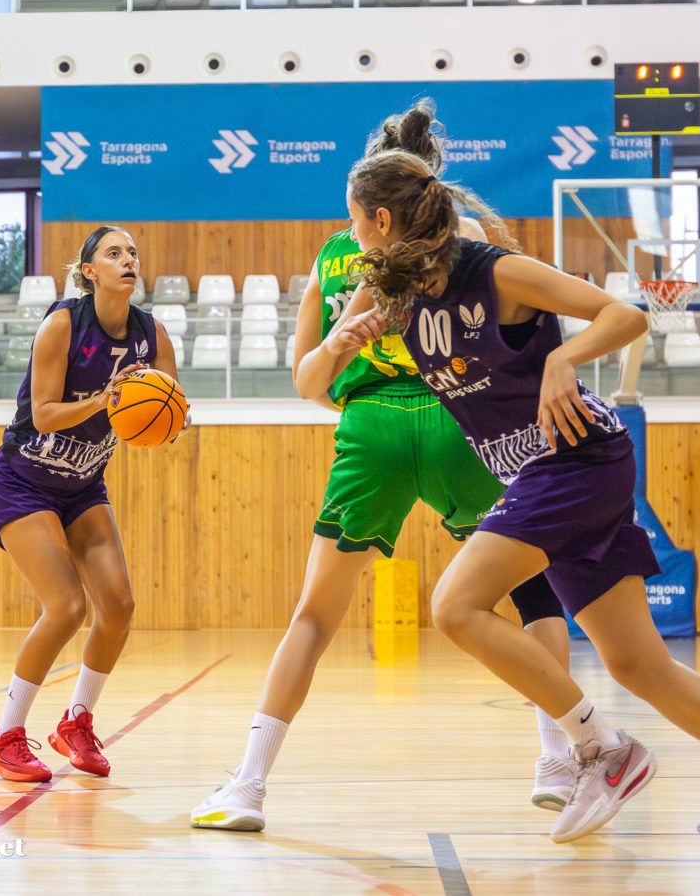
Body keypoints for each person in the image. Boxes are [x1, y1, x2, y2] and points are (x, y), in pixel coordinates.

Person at [319, 148, 700, 878]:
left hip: (573, 458)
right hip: (550, 473)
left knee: (454, 606)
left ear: (380, 219)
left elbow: (624, 313)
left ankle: (602, 749)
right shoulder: (394, 296)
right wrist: (339, 344)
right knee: (639, 664)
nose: (350, 236)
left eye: (353, 222)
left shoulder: (495, 271)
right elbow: (313, 382)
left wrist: (563, 362)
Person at [190, 102, 578, 833]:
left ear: (373, 204)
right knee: (535, 598)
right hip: (467, 418)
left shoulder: (336, 256)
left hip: (369, 431)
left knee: (313, 615)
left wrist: (341, 344)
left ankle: (246, 785)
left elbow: (309, 386)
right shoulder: (471, 238)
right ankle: (560, 756)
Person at [0, 225, 183, 783]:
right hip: (23, 480)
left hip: (83, 485)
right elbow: (43, 414)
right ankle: (5, 737)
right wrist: (104, 401)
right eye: (114, 253)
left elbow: (165, 409)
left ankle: (76, 722)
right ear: (89, 271)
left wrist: (166, 418)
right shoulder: (63, 324)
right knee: (67, 607)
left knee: (117, 606)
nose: (128, 260)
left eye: (133, 252)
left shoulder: (153, 335)